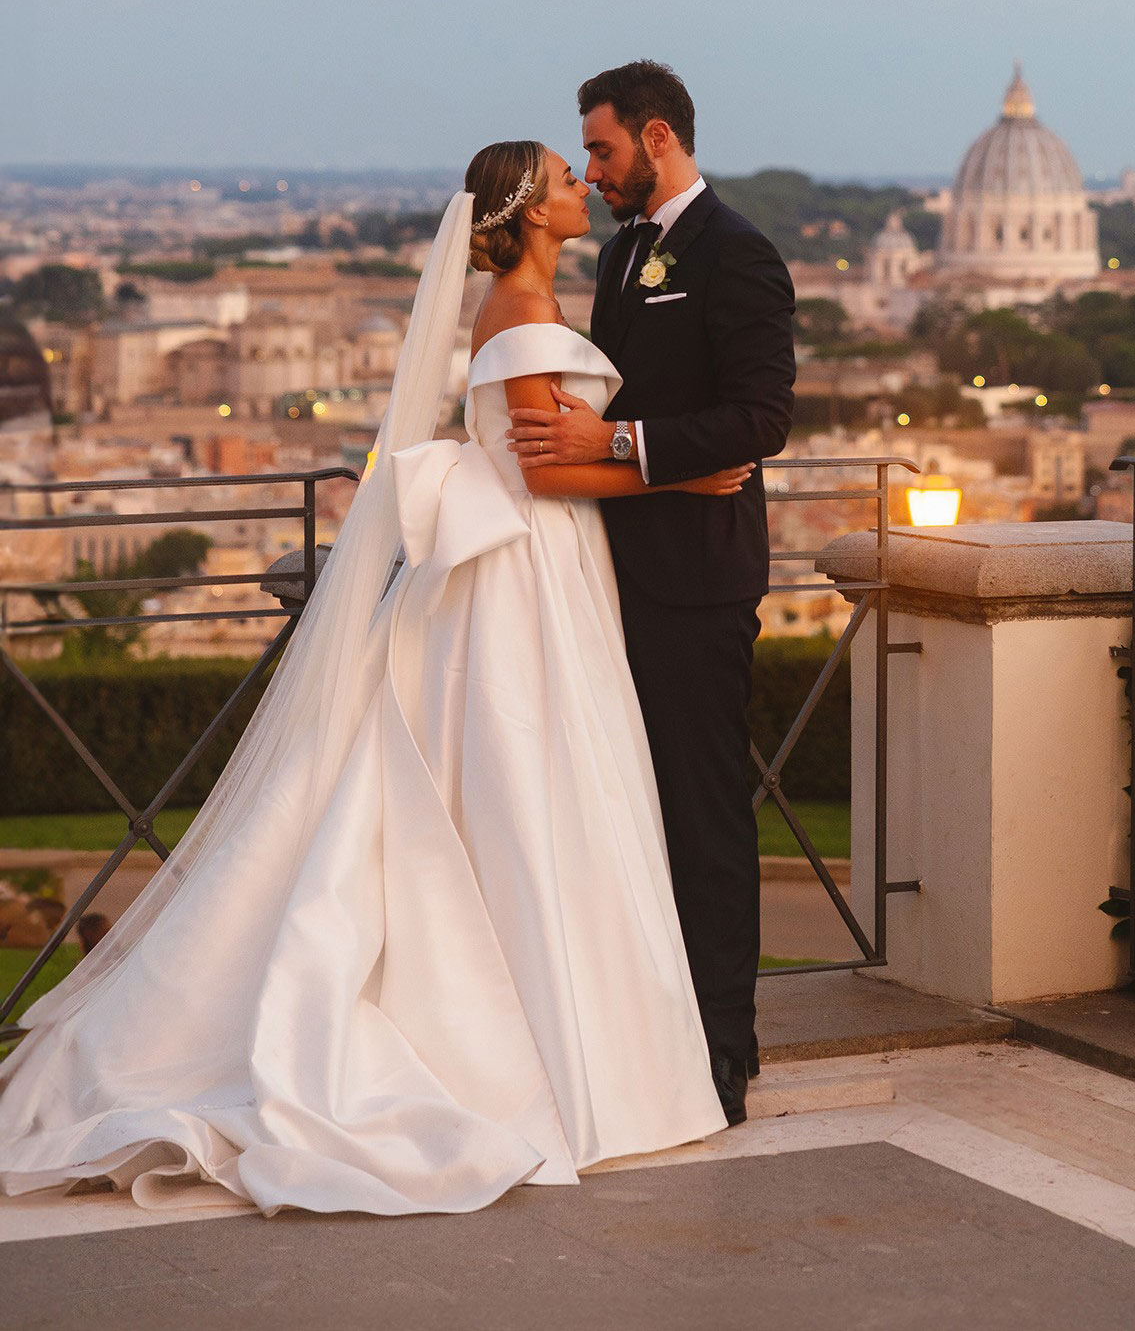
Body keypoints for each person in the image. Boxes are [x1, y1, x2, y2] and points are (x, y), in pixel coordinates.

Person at [0, 142, 752, 1218]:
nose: (582, 184)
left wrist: (621, 448)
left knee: (527, 789)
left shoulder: (523, 299)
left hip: (537, 562)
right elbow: (540, 467)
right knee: (537, 791)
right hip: (529, 565)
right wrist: (675, 462)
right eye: (563, 175)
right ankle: (570, 1055)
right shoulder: (522, 314)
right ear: (532, 209)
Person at [505, 62, 796, 1125]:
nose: (592, 169)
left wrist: (623, 443)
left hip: (696, 585)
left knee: (704, 815)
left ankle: (724, 1050)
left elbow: (762, 418)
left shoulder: (738, 254)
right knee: (630, 812)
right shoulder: (625, 251)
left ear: (658, 137)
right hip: (608, 578)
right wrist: (635, 457)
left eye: (603, 150)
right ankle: (655, 1028)